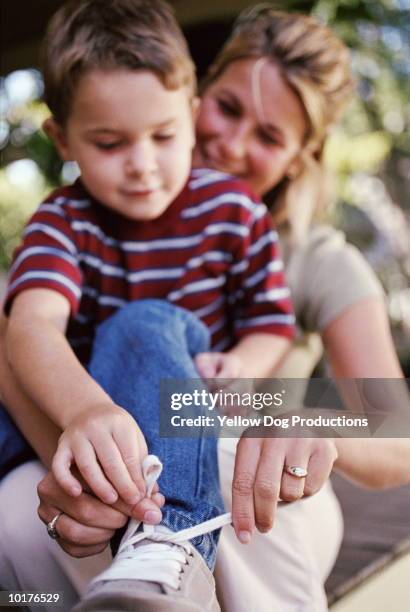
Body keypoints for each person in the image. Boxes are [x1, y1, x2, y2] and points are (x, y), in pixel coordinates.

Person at [0, 4, 408, 612]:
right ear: (197, 95)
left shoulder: (314, 257)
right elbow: (22, 343)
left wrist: (296, 413)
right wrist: (91, 475)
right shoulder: (72, 223)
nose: (232, 141)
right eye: (228, 107)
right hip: (110, 464)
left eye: (270, 136)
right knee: (15, 519)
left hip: (252, 474)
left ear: (299, 156)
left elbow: (395, 434)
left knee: (213, 467)